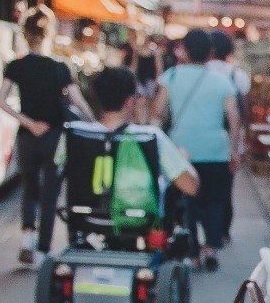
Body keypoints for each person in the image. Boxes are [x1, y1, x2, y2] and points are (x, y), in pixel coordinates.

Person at [1, 6, 95, 265]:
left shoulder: (16, 66)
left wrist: (28, 123)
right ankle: (43, 250)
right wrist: (95, 123)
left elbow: (1, 100)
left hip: (27, 136)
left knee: (29, 188)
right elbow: (78, 102)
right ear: (49, 33)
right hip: (55, 137)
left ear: (24, 34)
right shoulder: (59, 68)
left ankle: (27, 238)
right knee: (51, 192)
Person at [53, 66, 199, 215]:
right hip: (138, 221)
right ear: (130, 101)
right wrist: (182, 159)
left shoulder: (75, 133)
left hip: (85, 217)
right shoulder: (151, 137)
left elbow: (57, 170)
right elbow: (191, 187)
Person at [155, 28, 241, 271]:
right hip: (215, 150)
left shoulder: (171, 77)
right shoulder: (222, 81)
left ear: (184, 50)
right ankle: (211, 248)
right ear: (210, 53)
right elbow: (233, 117)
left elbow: (158, 111)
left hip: (180, 151)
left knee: (186, 201)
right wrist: (234, 149)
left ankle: (192, 253)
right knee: (214, 201)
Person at [206, 28, 252, 163]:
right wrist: (246, 138)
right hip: (229, 137)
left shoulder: (199, 73)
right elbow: (244, 109)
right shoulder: (238, 75)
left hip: (203, 134)